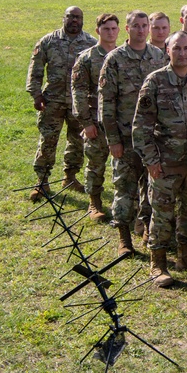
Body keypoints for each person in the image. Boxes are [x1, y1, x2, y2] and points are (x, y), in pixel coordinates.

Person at [133, 31, 187, 287]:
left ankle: (186, 257)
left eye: (186, 48)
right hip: (165, 164)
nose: (182, 53)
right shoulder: (155, 82)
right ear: (167, 49)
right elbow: (141, 127)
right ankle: (157, 263)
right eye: (176, 48)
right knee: (162, 214)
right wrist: (150, 161)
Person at [98, 10, 167, 255]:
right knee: (124, 188)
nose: (140, 30)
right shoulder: (115, 59)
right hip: (125, 138)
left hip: (151, 138)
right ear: (127, 29)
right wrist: (113, 140)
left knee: (152, 187)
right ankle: (124, 238)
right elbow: (106, 103)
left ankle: (148, 228)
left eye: (144, 25)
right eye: (135, 26)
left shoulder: (158, 56)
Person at [26, 6, 96, 199]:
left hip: (78, 103)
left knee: (77, 141)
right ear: (64, 18)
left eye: (78, 17)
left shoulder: (91, 43)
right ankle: (42, 182)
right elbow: (36, 70)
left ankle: (70, 177)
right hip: (52, 101)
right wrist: (36, 95)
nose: (74, 20)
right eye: (71, 17)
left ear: (82, 20)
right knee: (48, 140)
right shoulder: (49, 41)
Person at [70, 12, 119, 222]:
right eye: (106, 28)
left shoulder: (122, 55)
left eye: (114, 28)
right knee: (95, 164)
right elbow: (78, 92)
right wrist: (86, 122)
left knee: (123, 168)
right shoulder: (87, 58)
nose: (110, 32)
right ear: (98, 30)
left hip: (119, 121)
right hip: (96, 123)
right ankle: (94, 202)